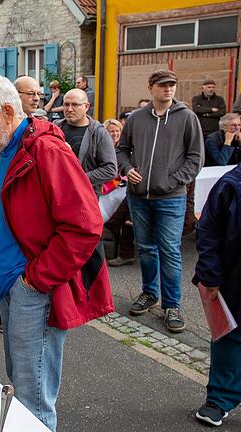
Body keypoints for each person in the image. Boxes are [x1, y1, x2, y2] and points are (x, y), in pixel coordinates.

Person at [0, 72, 112, 432]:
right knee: (20, 385)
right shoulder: (7, 149)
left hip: (32, 286)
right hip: (14, 284)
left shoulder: (47, 149)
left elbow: (85, 225)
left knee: (33, 399)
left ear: (8, 114)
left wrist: (35, 279)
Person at [116, 69, 204, 333]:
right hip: (139, 196)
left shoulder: (187, 118)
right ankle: (149, 293)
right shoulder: (137, 118)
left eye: (172, 85)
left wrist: (171, 181)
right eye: (163, 85)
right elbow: (122, 150)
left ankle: (172, 305)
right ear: (151, 87)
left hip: (171, 198)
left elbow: (195, 158)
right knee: (145, 248)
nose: (168, 89)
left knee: (169, 250)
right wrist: (126, 168)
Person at [192, 164, 241, 427]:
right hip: (234, 280)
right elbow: (209, 231)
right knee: (229, 337)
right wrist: (210, 276)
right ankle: (220, 399)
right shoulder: (232, 183)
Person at [53, 88, 117, 194]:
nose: (69, 109)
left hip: (84, 197)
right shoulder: (54, 128)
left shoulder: (99, 132)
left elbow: (110, 170)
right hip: (55, 195)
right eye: (66, 104)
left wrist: (78, 179)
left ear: (86, 106)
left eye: (75, 105)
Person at [102, 119, 135, 267]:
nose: (115, 134)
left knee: (129, 203)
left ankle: (111, 227)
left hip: (125, 187)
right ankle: (112, 227)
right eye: (111, 131)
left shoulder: (127, 149)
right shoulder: (101, 147)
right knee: (126, 208)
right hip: (106, 187)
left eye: (117, 131)